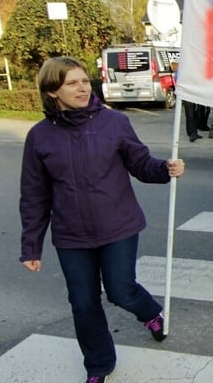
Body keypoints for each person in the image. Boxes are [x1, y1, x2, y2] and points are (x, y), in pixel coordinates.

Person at [19, 57, 186, 383]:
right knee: (83, 304)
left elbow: (140, 164)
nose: (83, 87)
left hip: (118, 226)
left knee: (121, 290)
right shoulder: (39, 136)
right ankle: (99, 365)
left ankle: (151, 313)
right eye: (72, 83)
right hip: (71, 236)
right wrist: (31, 245)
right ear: (53, 91)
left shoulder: (114, 123)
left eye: (85, 80)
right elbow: (34, 195)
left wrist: (164, 168)